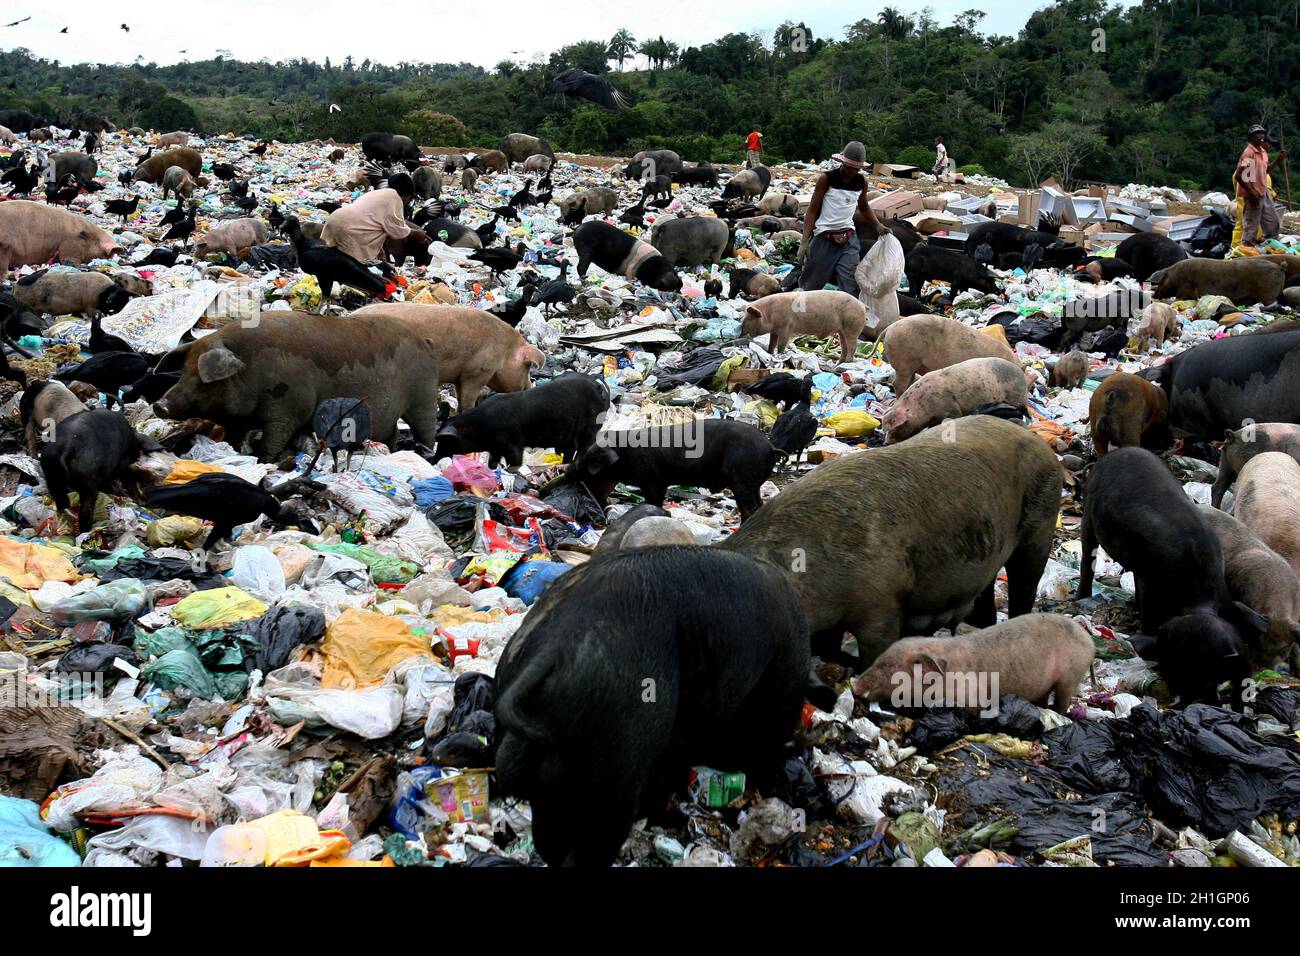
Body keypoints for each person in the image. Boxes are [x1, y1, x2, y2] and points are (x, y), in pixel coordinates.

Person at [798, 141, 881, 297]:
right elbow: (812, 209)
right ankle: (801, 315)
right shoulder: (827, 179)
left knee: (851, 284)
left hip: (849, 238)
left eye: (855, 168)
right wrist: (804, 240)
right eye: (848, 166)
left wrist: (878, 226)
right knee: (810, 285)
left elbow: (863, 207)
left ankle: (850, 317)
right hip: (824, 237)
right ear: (841, 162)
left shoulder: (861, 182)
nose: (851, 170)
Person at [321, 172, 415, 261]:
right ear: (405, 196)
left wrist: (379, 248)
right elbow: (398, 231)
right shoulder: (395, 198)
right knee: (352, 266)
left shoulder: (377, 193)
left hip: (336, 219)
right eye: (409, 198)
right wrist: (417, 234)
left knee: (333, 259)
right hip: (348, 229)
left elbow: (373, 222)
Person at [1234, 124, 1286, 249]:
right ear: (1251, 137)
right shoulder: (1249, 153)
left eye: (1262, 133)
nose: (1261, 136)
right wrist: (1252, 193)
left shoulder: (1262, 152)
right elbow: (1239, 176)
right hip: (1253, 194)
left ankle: (1269, 248)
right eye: (1258, 133)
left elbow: (1266, 170)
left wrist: (1278, 160)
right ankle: (1246, 251)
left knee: (1272, 224)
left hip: (1264, 192)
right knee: (1251, 228)